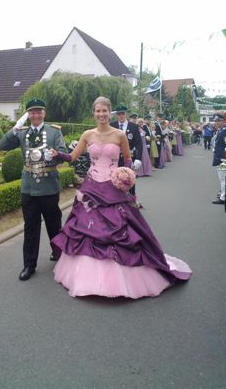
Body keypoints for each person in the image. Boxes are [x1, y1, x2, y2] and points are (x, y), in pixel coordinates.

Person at [49, 97, 191, 299]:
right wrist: (58, 154)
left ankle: (123, 278)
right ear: (94, 113)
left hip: (113, 190)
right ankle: (84, 277)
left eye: (104, 111)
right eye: (98, 111)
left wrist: (126, 175)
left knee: (119, 228)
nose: (101, 114)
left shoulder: (120, 135)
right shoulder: (87, 134)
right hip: (90, 191)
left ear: (110, 112)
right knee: (86, 228)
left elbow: (128, 160)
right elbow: (72, 157)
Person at [0, 98, 67, 280]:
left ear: (44, 113)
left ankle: (58, 253)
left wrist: (52, 155)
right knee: (30, 227)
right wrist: (14, 128)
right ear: (28, 115)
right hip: (28, 188)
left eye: (39, 112)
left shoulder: (54, 132)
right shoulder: (21, 133)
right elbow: (2, 145)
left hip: (49, 186)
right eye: (32, 112)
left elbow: (62, 154)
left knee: (54, 223)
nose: (36, 115)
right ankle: (29, 265)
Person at [110, 105, 142, 194]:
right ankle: (116, 201)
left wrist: (138, 158)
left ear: (125, 114)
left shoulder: (133, 127)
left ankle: (131, 201)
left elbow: (139, 143)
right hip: (115, 158)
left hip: (129, 157)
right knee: (115, 179)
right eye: (119, 114)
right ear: (117, 115)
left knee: (129, 179)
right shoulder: (112, 125)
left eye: (123, 113)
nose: (121, 115)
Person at [211, 114, 226, 205]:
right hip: (221, 156)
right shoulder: (221, 130)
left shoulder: (224, 130)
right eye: (215, 121)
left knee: (223, 178)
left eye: (218, 121)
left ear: (223, 121)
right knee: (224, 178)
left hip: (223, 158)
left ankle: (223, 197)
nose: (216, 122)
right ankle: (225, 194)